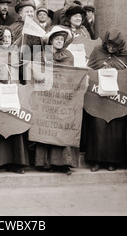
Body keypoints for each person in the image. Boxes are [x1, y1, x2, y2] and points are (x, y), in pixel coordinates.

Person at [84, 29, 127, 172]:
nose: (110, 48)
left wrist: (115, 70)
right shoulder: (97, 50)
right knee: (97, 127)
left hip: (117, 97)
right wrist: (101, 68)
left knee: (115, 129)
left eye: (114, 46)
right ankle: (96, 161)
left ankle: (113, 161)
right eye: (108, 45)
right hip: (98, 96)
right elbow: (89, 69)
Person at [0, 26, 30, 176]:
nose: (6, 40)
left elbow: (21, 73)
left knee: (15, 125)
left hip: (14, 91)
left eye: (9, 37)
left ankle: (17, 162)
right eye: (3, 37)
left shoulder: (15, 53)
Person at [33, 25, 76, 174]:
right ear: (51, 40)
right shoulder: (41, 55)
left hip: (62, 97)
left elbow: (71, 76)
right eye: (56, 38)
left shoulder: (68, 56)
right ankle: (46, 162)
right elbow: (37, 73)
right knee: (47, 127)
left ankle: (63, 163)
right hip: (45, 97)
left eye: (61, 39)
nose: (59, 41)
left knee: (62, 128)